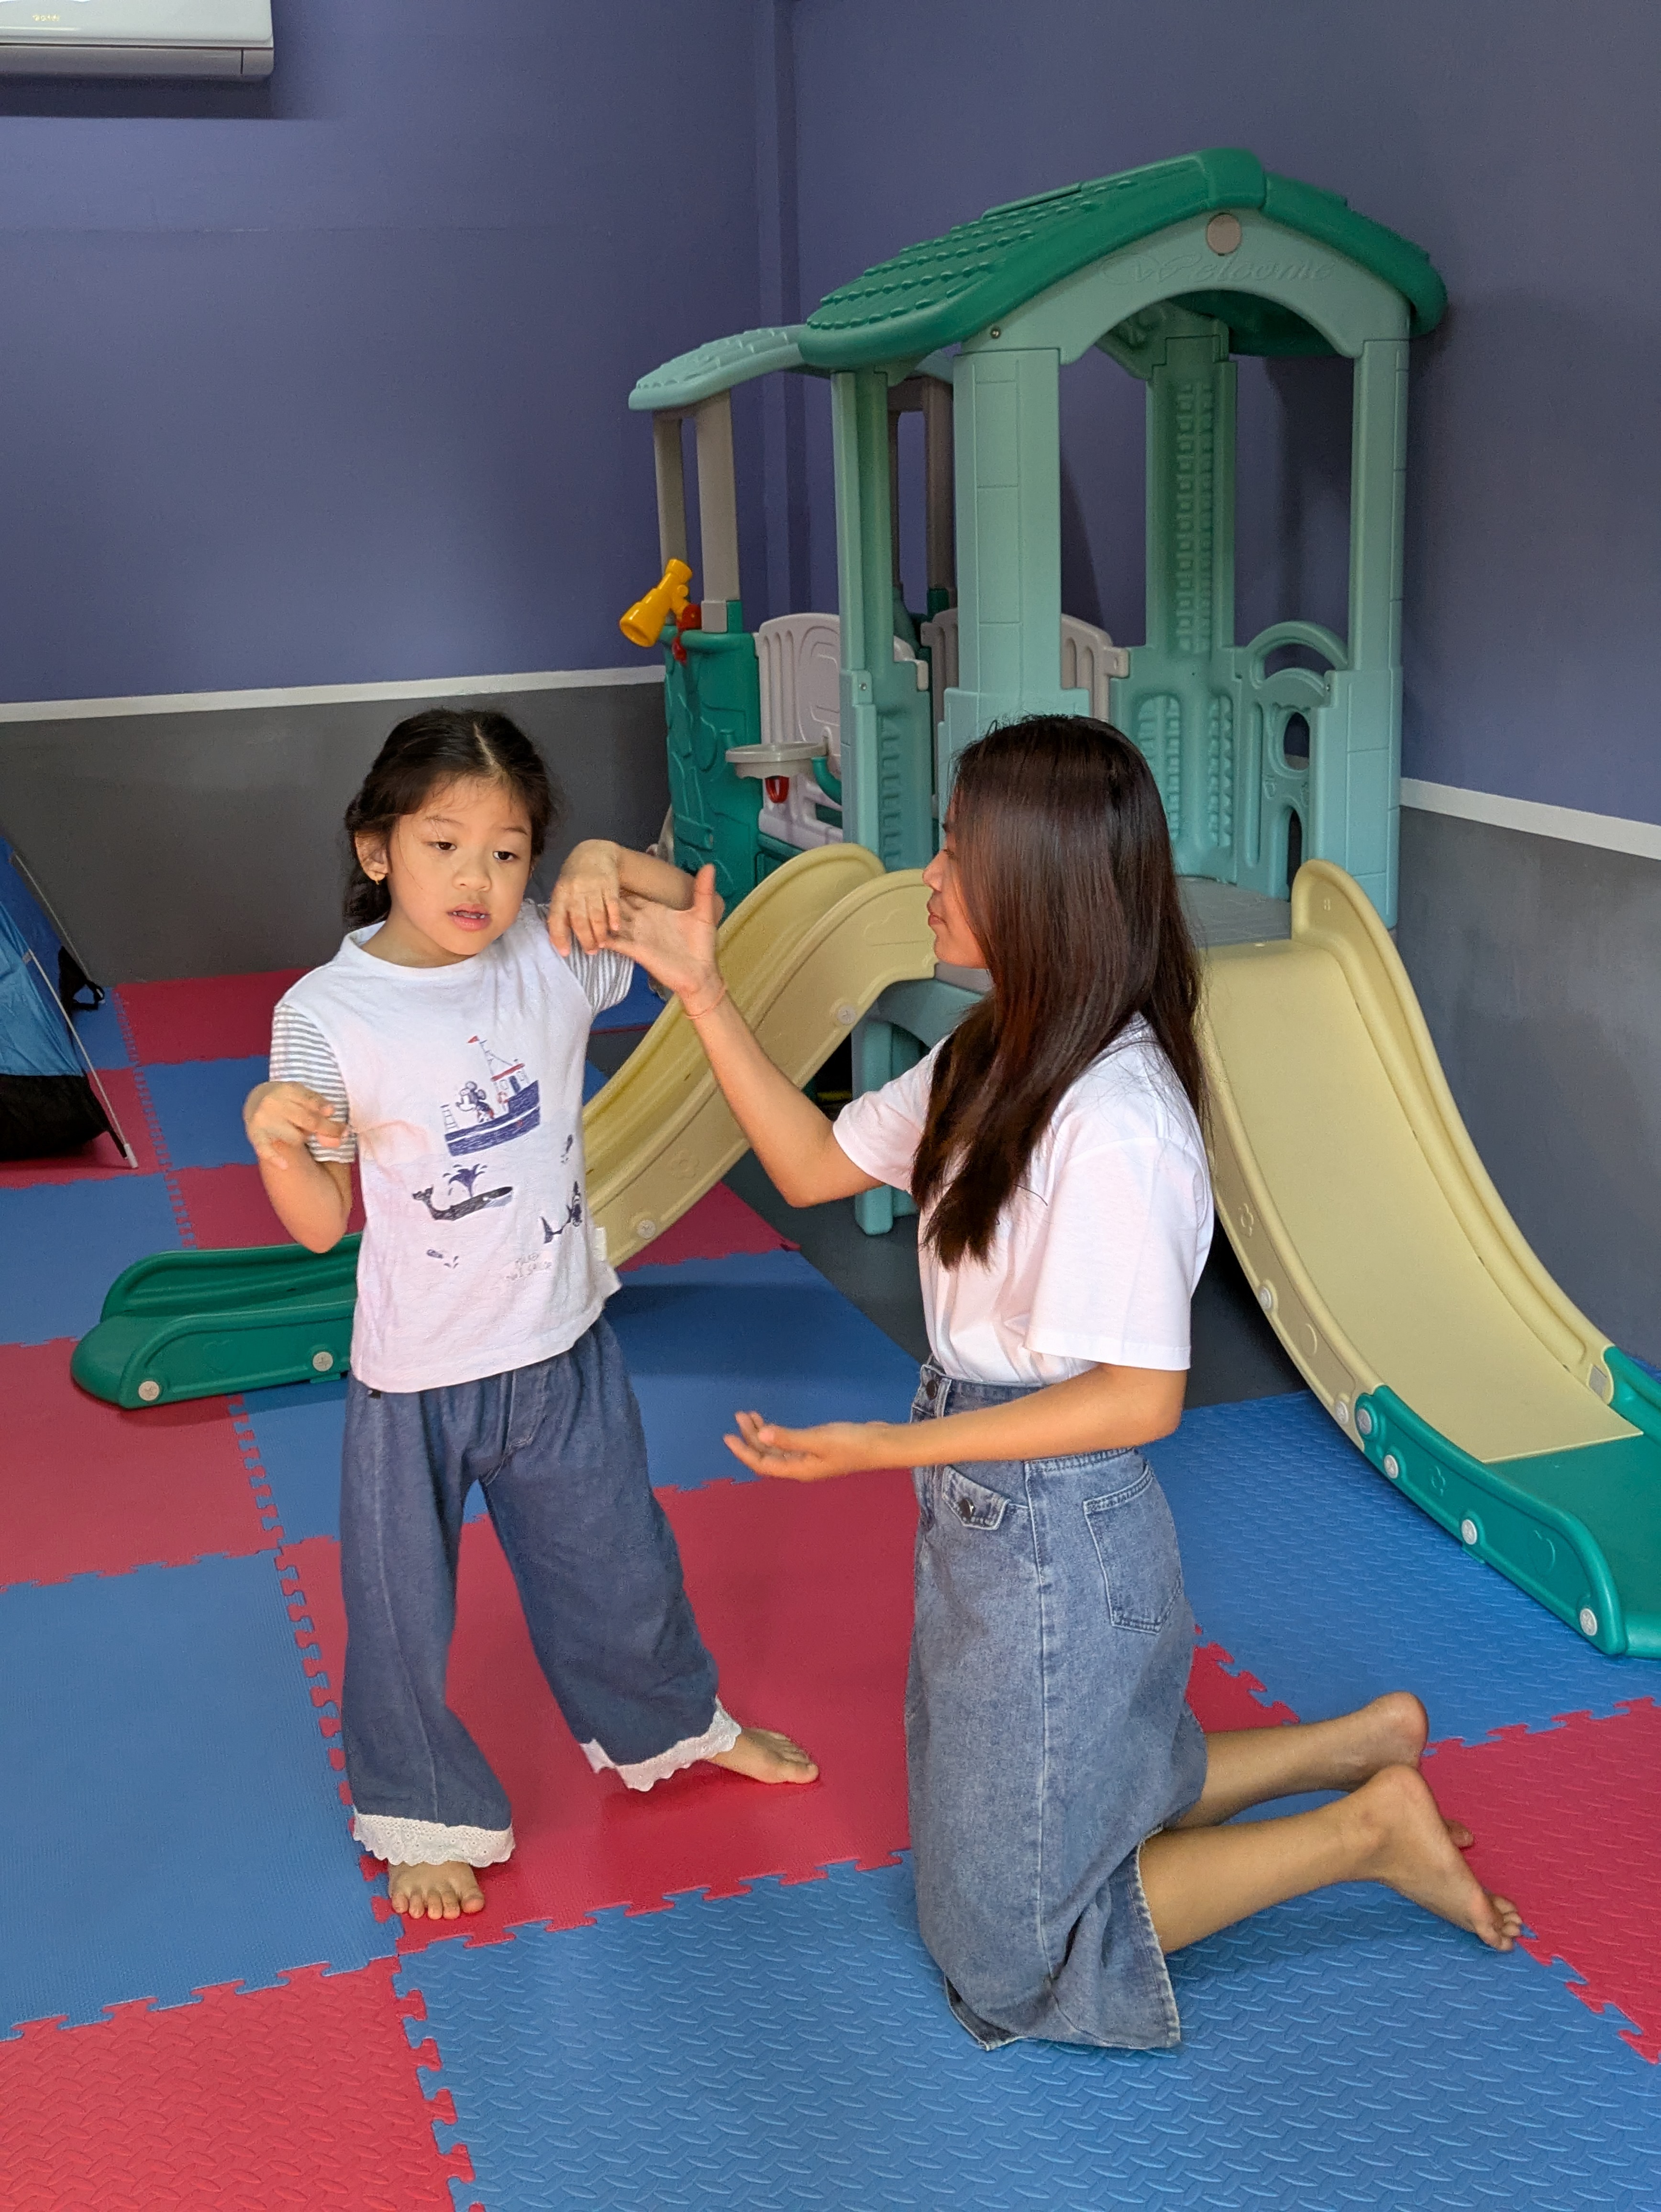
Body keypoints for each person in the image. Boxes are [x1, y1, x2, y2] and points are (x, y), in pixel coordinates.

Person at [604, 715, 1520, 2051]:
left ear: (1041, 888)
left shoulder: (1116, 1120)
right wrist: (702, 993)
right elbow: (809, 1165)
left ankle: (1364, 1829)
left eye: (956, 853)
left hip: (1054, 1529)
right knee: (1070, 1794)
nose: (927, 876)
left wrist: (880, 1449)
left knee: (1002, 1960)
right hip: (995, 1501)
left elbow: (1140, 1400)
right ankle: (1351, 1741)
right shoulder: (992, 1051)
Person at [241, 708, 816, 1924]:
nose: (477, 879)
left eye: (508, 852)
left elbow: (687, 907)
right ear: (376, 848)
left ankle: (674, 1724)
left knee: (621, 1565)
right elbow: (318, 1221)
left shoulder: (551, 956)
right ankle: (420, 1811)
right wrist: (275, 1141)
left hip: (561, 1347)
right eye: (442, 844)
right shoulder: (327, 1011)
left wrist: (609, 861)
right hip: (417, 1373)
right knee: (399, 1614)